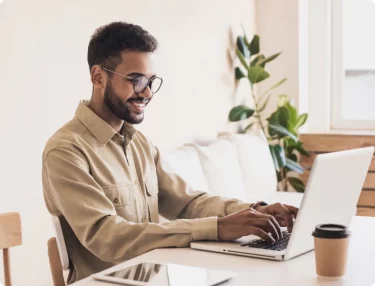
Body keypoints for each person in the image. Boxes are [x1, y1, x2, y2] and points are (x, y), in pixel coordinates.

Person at [42, 22, 298, 284]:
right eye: (136, 80)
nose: (147, 92)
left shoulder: (140, 144)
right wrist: (217, 228)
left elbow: (188, 202)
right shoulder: (66, 151)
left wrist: (254, 212)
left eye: (151, 81)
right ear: (98, 77)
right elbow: (107, 237)